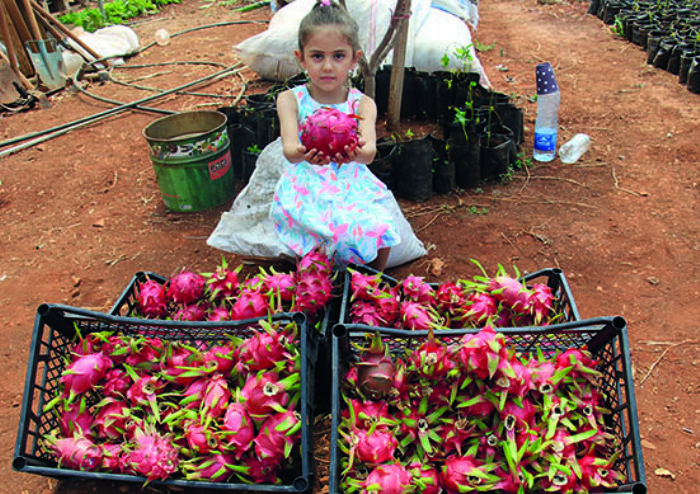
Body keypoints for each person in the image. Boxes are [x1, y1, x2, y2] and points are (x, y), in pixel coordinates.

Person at [269, 0, 400, 271]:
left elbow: (369, 153)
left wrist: (355, 152)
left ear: (355, 59)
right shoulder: (290, 100)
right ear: (301, 58)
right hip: (307, 180)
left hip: (350, 179)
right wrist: (305, 153)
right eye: (317, 56)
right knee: (315, 230)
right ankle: (314, 281)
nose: (327, 66)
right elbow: (290, 150)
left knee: (378, 224)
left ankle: (372, 280)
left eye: (338, 56)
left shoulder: (362, 104)